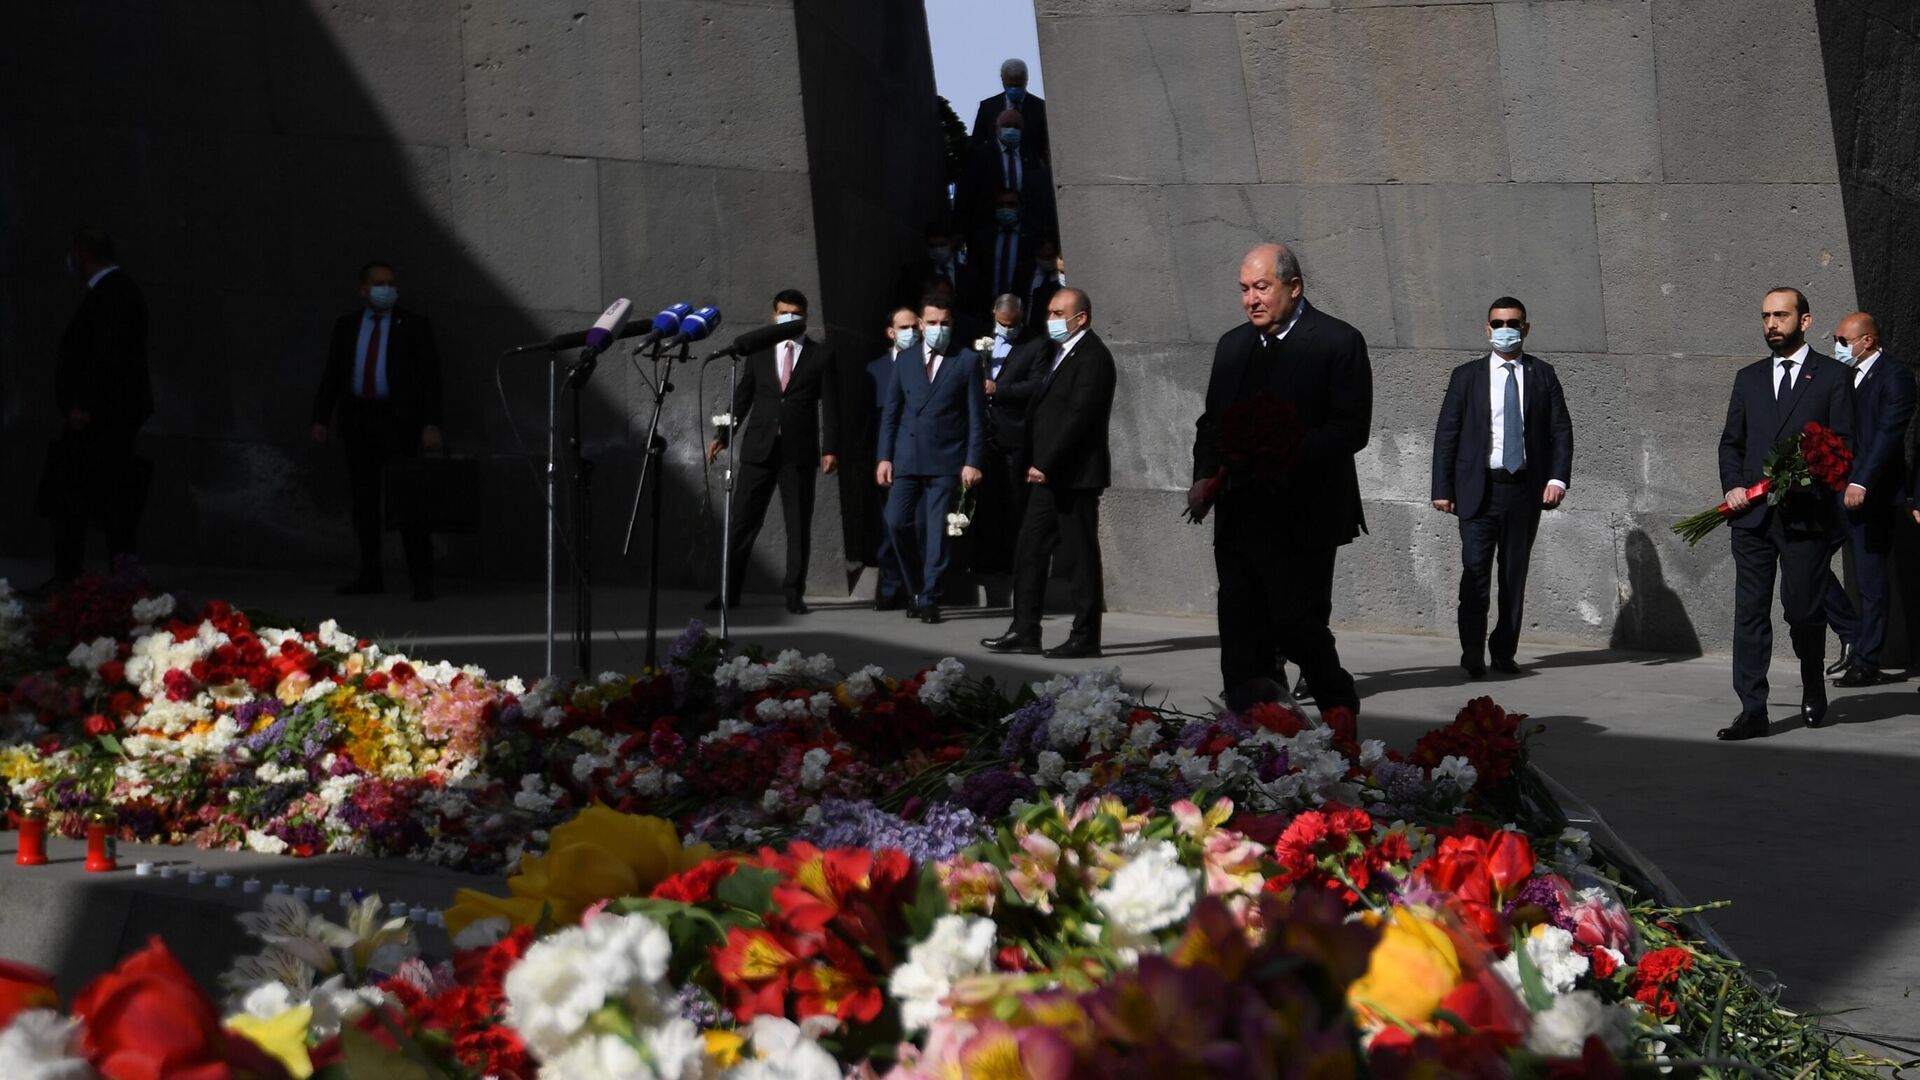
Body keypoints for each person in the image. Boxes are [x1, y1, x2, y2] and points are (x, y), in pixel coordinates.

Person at [1189, 244, 1370, 714]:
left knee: (1297, 625)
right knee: (1238, 627)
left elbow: (1351, 429)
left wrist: (1277, 449)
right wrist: (1203, 477)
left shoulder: (1337, 341)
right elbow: (1211, 424)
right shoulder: (1233, 346)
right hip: (1238, 514)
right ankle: (1248, 731)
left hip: (1304, 515)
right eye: (1244, 289)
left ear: (1294, 287)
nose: (1251, 299)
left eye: (1261, 287)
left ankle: (1338, 710)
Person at [1715, 287, 1854, 740]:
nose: (1771, 325)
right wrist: (1734, 485)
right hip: (1752, 516)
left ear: (1805, 321)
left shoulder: (1832, 377)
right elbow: (1731, 442)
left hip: (1804, 517)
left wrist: (1812, 476)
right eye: (1765, 317)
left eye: (1780, 316)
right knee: (1750, 613)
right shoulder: (1748, 378)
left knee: (1802, 610)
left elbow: (1845, 446)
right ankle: (1752, 708)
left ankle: (1812, 681)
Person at [1430, 297, 1575, 677]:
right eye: (1498, 323)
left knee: (1514, 575)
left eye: (1513, 322)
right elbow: (1448, 434)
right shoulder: (1466, 377)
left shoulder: (1543, 374)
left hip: (1523, 492)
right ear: (1487, 328)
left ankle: (1504, 651)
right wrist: (1441, 488)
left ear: (1525, 328)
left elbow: (1561, 431)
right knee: (1475, 572)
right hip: (1478, 491)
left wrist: (1557, 478)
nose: (1505, 329)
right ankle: (1472, 651)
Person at [982, 288, 1115, 659]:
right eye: (1051, 312)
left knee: (1080, 556)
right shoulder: (1060, 353)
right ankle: (1025, 629)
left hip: (1073, 477)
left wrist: (1046, 462)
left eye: (1060, 313)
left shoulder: (1093, 357)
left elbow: (1079, 418)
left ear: (1081, 318)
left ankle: (1085, 636)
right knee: (1029, 549)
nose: (1052, 319)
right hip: (1049, 476)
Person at [311, 260, 443, 600]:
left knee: (408, 501)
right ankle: (370, 575)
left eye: (390, 283)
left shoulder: (413, 325)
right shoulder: (348, 326)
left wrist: (431, 423)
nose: (385, 289)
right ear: (364, 289)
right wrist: (321, 419)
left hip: (399, 423)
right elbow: (333, 374)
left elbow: (430, 378)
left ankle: (421, 579)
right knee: (364, 503)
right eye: (378, 283)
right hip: (359, 422)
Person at [704, 289, 841, 614]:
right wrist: (724, 433)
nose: (788, 319)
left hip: (798, 451)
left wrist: (831, 448)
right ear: (773, 314)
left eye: (795, 313)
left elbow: (833, 407)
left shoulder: (820, 356)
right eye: (783, 312)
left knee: (797, 524)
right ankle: (727, 592)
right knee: (742, 522)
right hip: (759, 449)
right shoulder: (760, 353)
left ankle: (794, 593)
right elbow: (743, 396)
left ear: (805, 317)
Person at [36, 227, 153, 590]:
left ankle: (81, 577)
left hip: (100, 420)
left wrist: (86, 405)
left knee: (85, 497)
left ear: (83, 253)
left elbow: (109, 356)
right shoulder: (115, 293)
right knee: (103, 499)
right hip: (105, 417)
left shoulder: (114, 294)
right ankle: (99, 575)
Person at [876, 295, 987, 625]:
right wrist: (884, 457)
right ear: (921, 325)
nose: (939, 329)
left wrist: (972, 460)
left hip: (946, 458)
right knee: (895, 522)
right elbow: (891, 414)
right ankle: (914, 588)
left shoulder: (965, 360)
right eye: (933, 323)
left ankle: (929, 598)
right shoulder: (906, 360)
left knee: (936, 532)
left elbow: (976, 418)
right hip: (906, 457)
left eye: (945, 323)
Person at [1821, 312, 1913, 686]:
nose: (1838, 346)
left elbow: (1887, 436)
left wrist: (1861, 481)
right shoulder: (1842, 375)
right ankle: (1852, 635)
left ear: (1867, 341)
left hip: (1869, 496)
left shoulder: (1895, 377)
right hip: (1833, 490)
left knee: (1871, 580)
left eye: (1843, 340)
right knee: (1806, 566)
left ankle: (1867, 662)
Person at [975, 294, 1048, 573]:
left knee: (1013, 499)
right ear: (994, 313)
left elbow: (1036, 385)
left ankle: (1012, 559)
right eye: (1003, 323)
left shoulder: (1036, 344)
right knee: (983, 499)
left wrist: (1000, 390)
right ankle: (982, 558)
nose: (1008, 327)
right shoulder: (979, 336)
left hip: (1013, 433)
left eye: (1013, 323)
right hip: (982, 432)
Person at [865, 307, 920, 610]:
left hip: (919, 458)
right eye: (904, 327)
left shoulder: (928, 364)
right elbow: (870, 420)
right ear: (891, 332)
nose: (910, 332)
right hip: (886, 460)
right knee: (887, 527)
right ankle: (890, 588)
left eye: (914, 326)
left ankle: (917, 590)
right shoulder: (875, 369)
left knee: (917, 527)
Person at [957, 108, 1056, 249]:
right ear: (997, 129)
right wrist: (960, 229)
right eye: (1007, 125)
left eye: (1016, 126)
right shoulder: (979, 156)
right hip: (986, 229)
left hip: (1025, 232)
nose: (1011, 130)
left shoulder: (1033, 158)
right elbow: (966, 192)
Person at [963, 191, 1039, 317]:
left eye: (1011, 204)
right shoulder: (983, 238)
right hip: (986, 305)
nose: (1006, 209)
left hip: (1021, 303)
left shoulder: (1032, 238)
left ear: (1021, 208)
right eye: (1001, 205)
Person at [970, 58, 1049, 165]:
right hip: (997, 172)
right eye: (1010, 85)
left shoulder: (1041, 108)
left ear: (1026, 80)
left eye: (1018, 85)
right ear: (1002, 80)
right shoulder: (988, 107)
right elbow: (977, 143)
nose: (1014, 89)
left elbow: (1047, 145)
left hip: (1031, 172)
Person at [894, 222, 959, 310]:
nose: (938, 251)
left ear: (952, 243)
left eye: (942, 244)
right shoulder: (912, 273)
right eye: (933, 246)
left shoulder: (968, 274)